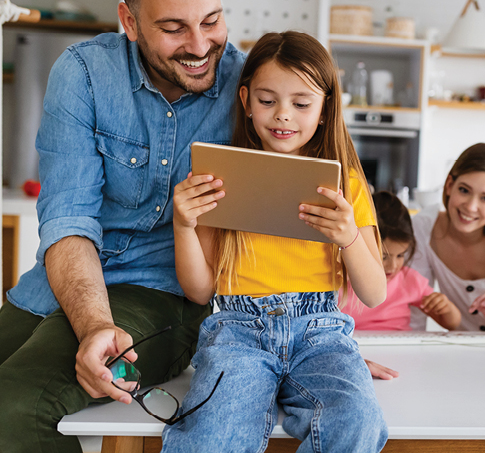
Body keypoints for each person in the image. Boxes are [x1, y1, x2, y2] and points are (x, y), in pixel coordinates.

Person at [0, 0, 246, 453]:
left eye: (212, 20)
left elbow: (306, 203)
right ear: (129, 20)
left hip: (163, 294)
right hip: (64, 281)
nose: (200, 46)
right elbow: (68, 218)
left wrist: (317, 339)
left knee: (19, 402)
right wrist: (93, 323)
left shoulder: (251, 89)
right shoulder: (83, 73)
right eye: (174, 28)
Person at [163, 31, 389, 452]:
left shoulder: (348, 187)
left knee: (357, 419)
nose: (283, 115)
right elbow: (199, 290)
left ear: (324, 109)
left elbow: (374, 293)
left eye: (301, 104)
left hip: (321, 332)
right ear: (246, 101)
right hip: (238, 332)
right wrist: (183, 226)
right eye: (268, 101)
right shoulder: (220, 177)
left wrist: (349, 238)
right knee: (212, 433)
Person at [342, 191, 461, 330]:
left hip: (400, 348)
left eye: (400, 255)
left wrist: (446, 308)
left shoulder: (408, 280)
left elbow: (452, 324)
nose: (393, 266)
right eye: (384, 256)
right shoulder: (338, 283)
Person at [410, 143, 485, 331]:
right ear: (449, 186)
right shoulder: (423, 228)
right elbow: (415, 306)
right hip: (458, 350)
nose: (471, 207)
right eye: (464, 190)